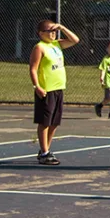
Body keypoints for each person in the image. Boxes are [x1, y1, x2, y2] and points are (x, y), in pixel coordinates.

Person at [29, 20, 79, 165]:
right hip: (46, 90)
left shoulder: (56, 44)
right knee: (44, 122)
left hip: (58, 88)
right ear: (40, 33)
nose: (53, 33)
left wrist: (62, 27)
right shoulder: (39, 47)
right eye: (49, 31)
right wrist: (36, 86)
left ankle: (45, 149)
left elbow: (75, 40)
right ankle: (44, 152)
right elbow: (33, 68)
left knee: (54, 123)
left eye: (54, 31)